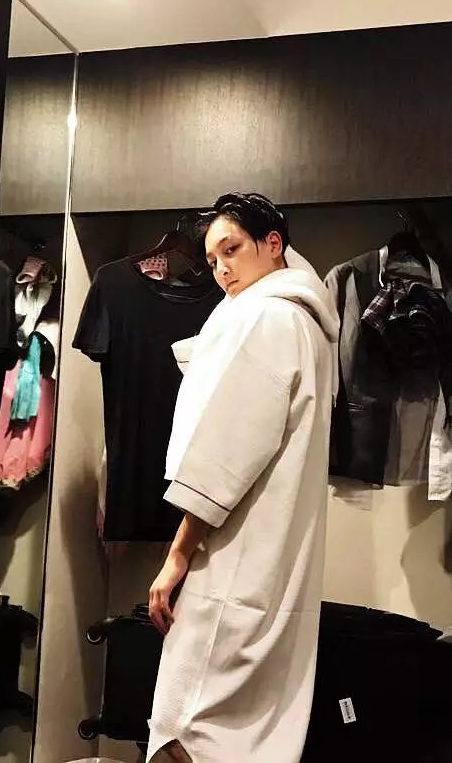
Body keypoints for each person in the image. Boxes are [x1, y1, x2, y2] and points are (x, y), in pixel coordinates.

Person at [147, 193, 339, 763]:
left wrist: (177, 555)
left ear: (273, 244)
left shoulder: (270, 318)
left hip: (234, 555)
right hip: (273, 557)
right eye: (212, 261)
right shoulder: (308, 323)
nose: (222, 270)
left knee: (185, 723)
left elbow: (229, 453)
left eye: (231, 250)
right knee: (250, 731)